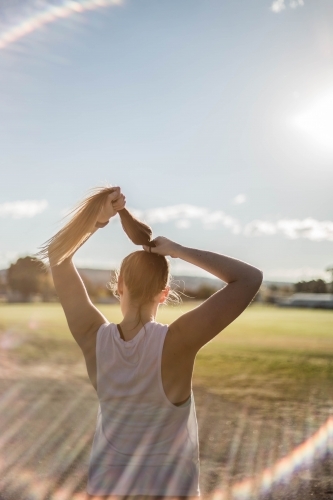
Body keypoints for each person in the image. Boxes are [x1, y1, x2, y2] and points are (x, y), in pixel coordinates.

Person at [39, 186, 263, 500]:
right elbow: (249, 278)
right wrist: (177, 250)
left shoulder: (92, 337)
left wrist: (99, 218)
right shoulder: (179, 341)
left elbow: (58, 256)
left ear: (119, 285)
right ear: (165, 293)